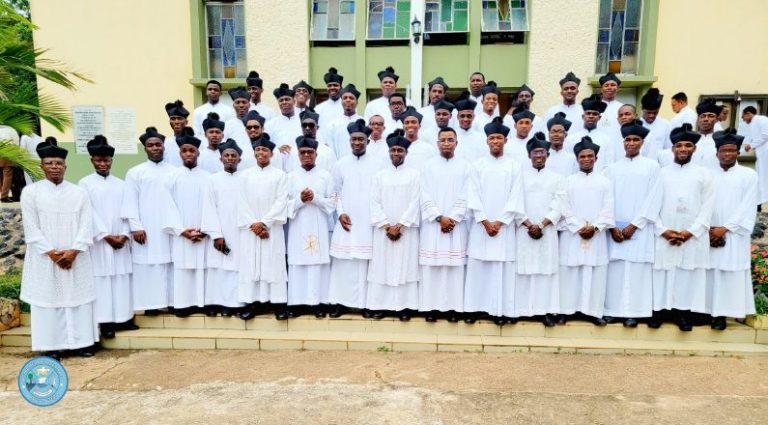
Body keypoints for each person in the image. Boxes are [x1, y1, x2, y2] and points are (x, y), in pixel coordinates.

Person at [21, 138, 98, 358]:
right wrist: (53, 254)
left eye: (58, 163)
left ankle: (82, 343)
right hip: (45, 258)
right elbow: (31, 227)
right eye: (49, 163)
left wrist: (74, 251)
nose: (54, 167)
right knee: (49, 301)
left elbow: (86, 224)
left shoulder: (79, 192)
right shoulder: (31, 192)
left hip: (75, 257)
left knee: (78, 300)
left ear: (65, 166)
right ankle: (51, 345)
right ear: (42, 166)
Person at [651, 124, 714, 331]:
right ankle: (659, 312)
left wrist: (690, 232)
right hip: (665, 233)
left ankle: (682, 314)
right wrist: (662, 230)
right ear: (672, 149)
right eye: (679, 145)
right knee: (663, 272)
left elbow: (707, 207)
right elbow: (651, 206)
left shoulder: (704, 174)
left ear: (694, 148)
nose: (683, 149)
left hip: (691, 235)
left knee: (686, 275)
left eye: (688, 145)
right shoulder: (661, 173)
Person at [464, 117, 525, 325]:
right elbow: (473, 194)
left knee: (501, 268)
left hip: (503, 227)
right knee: (478, 267)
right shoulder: (477, 165)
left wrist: (500, 222)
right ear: (487, 141)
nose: (496, 141)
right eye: (492, 138)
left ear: (506, 140)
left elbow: (516, 196)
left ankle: (500, 311)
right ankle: (474, 309)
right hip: (481, 226)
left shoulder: (514, 166)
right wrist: (484, 221)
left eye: (499, 138)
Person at [603, 121, 660, 327]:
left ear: (642, 142)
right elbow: (606, 199)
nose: (632, 143)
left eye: (636, 140)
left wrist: (634, 225)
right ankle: (612, 310)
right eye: (628, 139)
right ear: (623, 143)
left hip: (640, 228)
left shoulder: (652, 167)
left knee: (636, 270)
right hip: (615, 229)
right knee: (615, 270)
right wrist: (611, 226)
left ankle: (634, 312)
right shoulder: (612, 169)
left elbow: (654, 199)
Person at [79, 135, 136, 339]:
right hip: (100, 242)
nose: (103, 164)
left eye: (106, 160)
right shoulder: (85, 184)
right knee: (102, 282)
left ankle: (124, 318)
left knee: (122, 279)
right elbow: (88, 213)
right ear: (92, 161)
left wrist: (124, 234)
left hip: (121, 240)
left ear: (112, 160)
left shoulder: (121, 184)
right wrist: (105, 235)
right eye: (99, 160)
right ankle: (106, 322)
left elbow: (128, 209)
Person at [327, 120, 383, 317]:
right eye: (353, 139)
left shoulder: (378, 163)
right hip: (346, 220)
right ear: (349, 141)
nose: (357, 143)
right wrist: (340, 212)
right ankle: (340, 303)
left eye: (361, 139)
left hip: (368, 220)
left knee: (365, 264)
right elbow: (335, 193)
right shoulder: (340, 164)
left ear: (367, 140)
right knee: (343, 263)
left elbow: (380, 192)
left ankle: (365, 304)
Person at [558, 136, 614, 326]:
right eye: (582, 156)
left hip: (596, 234)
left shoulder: (605, 182)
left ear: (596, 158)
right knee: (570, 272)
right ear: (577, 159)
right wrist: (577, 226)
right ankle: (566, 310)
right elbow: (564, 207)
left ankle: (593, 311)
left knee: (595, 273)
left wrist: (595, 227)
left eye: (590, 156)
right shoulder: (568, 181)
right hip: (572, 233)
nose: (586, 159)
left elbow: (608, 208)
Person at [706, 129, 758, 329]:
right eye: (723, 150)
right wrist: (708, 229)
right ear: (716, 153)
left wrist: (725, 228)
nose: (727, 154)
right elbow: (702, 202)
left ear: (738, 152)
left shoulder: (749, 175)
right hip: (709, 233)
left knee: (729, 271)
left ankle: (722, 314)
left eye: (731, 150)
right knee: (709, 271)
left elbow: (747, 205)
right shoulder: (707, 174)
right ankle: (706, 311)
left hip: (735, 233)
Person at [367, 131, 421, 321]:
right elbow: (374, 202)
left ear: (406, 153)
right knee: (383, 266)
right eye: (393, 150)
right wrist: (386, 225)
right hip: (384, 231)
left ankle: (405, 306)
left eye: (400, 150)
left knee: (406, 267)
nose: (396, 153)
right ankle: (381, 305)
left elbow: (415, 202)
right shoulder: (379, 176)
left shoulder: (415, 175)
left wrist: (401, 225)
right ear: (389, 152)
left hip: (406, 230)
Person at [121, 127, 175, 316]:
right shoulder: (135, 172)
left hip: (169, 227)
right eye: (150, 145)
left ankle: (171, 302)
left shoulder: (174, 171)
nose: (155, 148)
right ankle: (151, 304)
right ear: (145, 149)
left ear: (164, 147)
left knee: (170, 264)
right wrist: (136, 227)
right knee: (148, 266)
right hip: (146, 227)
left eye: (158, 145)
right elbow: (130, 201)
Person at [418, 127, 471, 322]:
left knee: (453, 268)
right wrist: (439, 217)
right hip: (433, 225)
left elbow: (467, 193)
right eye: (443, 140)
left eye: (450, 140)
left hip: (456, 226)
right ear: (437, 143)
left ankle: (454, 308)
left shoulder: (466, 166)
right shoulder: (427, 166)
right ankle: (431, 308)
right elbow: (423, 193)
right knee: (432, 267)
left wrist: (453, 218)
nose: (446, 143)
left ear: (457, 143)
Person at [237, 133, 289, 320]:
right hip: (251, 230)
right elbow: (241, 202)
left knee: (273, 263)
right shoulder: (245, 176)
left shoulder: (280, 175)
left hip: (271, 229)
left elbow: (281, 201)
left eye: (265, 150)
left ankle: (278, 304)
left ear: (271, 154)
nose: (261, 152)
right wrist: (254, 225)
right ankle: (253, 303)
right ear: (254, 153)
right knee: (252, 263)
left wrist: (265, 223)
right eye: (258, 149)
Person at [515, 132, 565, 327]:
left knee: (546, 271)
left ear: (547, 154)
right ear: (529, 155)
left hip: (547, 231)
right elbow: (515, 203)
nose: (538, 155)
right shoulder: (519, 177)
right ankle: (522, 309)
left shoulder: (557, 178)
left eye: (542, 152)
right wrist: (529, 225)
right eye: (535, 152)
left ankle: (544, 311)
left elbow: (559, 205)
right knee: (524, 269)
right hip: (524, 230)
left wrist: (542, 225)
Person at [286, 136, 335, 318]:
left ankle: (319, 303)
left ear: (316, 154)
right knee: (298, 263)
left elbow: (332, 203)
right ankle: (297, 304)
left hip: (318, 225)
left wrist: (315, 198)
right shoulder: (290, 177)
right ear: (298, 155)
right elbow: (284, 204)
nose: (306, 155)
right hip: (298, 227)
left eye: (310, 152)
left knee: (317, 264)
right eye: (303, 152)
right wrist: (300, 200)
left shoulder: (326, 176)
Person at [164, 131, 211, 317]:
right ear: (180, 153)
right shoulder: (172, 177)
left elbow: (212, 207)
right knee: (182, 268)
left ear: (198, 153)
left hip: (203, 232)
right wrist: (182, 231)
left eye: (192, 150)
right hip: (182, 232)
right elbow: (167, 206)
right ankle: (182, 304)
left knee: (203, 266)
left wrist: (205, 229)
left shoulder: (208, 178)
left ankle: (202, 303)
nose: (189, 154)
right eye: (185, 151)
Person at [200, 139, 246, 318]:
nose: (230, 158)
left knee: (238, 267)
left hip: (241, 231)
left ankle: (237, 304)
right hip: (221, 230)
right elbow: (208, 208)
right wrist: (216, 235)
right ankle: (219, 303)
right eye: (226, 155)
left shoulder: (246, 178)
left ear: (239, 159)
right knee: (219, 267)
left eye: (234, 155)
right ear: (221, 159)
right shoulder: (212, 180)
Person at [566, 94, 614, 172]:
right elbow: (569, 163)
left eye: (595, 114)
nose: (591, 116)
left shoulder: (606, 139)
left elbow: (608, 164)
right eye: (588, 113)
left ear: (599, 118)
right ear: (583, 116)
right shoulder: (571, 138)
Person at [265, 83, 301, 165]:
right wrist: (278, 150)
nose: (284, 102)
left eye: (287, 99)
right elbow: (266, 147)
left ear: (294, 101)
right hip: (277, 163)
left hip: (297, 163)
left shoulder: (302, 122)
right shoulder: (270, 124)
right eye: (281, 100)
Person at [223, 86, 257, 169]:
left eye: (244, 102)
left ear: (249, 105)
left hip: (254, 166)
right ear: (233, 105)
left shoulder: (257, 125)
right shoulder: (227, 125)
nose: (241, 105)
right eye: (238, 102)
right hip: (234, 168)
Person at [327, 84, 363, 159]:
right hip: (339, 163)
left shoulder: (364, 122)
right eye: (345, 98)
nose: (348, 100)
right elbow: (330, 149)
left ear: (357, 102)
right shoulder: (333, 124)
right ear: (341, 102)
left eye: (351, 98)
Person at [742, 106, 768, 209]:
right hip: (761, 155)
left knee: (763, 178)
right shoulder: (755, 122)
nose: (743, 120)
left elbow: (765, 135)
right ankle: (759, 203)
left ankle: (760, 203)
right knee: (760, 178)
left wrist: (751, 145)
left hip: (765, 154)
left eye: (743, 117)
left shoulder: (762, 120)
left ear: (748, 113)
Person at [639, 88, 672, 162]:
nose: (652, 115)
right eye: (648, 112)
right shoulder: (636, 124)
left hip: (660, 163)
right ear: (642, 108)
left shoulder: (666, 124)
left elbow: (669, 149)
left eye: (655, 113)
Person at [692, 98, 722, 170]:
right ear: (698, 119)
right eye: (703, 116)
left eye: (711, 116)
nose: (706, 119)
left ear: (717, 119)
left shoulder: (722, 141)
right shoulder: (690, 140)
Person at [315, 67, 345, 135]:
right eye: (329, 85)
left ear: (340, 87)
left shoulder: (347, 107)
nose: (332, 87)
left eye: (335, 85)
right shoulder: (318, 109)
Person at [164, 100, 189, 167]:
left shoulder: (196, 142)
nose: (176, 122)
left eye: (179, 118)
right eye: (173, 119)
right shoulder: (165, 143)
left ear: (186, 122)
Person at [0, 124, 18, 202]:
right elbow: (16, 142)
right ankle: (4, 196)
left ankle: (2, 193)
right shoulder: (11, 129)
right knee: (7, 173)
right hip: (8, 152)